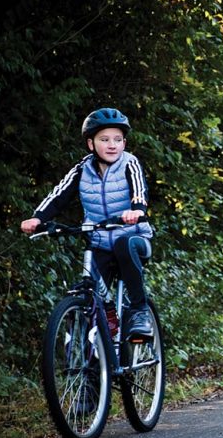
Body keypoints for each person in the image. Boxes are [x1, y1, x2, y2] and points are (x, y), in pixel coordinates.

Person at [21, 107, 155, 339]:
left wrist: (136, 211)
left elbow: (139, 191)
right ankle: (97, 358)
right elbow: (58, 195)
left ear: (124, 143)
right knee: (90, 290)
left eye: (118, 139)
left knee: (125, 244)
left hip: (135, 238)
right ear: (91, 144)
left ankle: (139, 310)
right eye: (104, 139)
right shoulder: (82, 169)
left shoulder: (129, 163)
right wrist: (38, 218)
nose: (112, 145)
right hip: (101, 241)